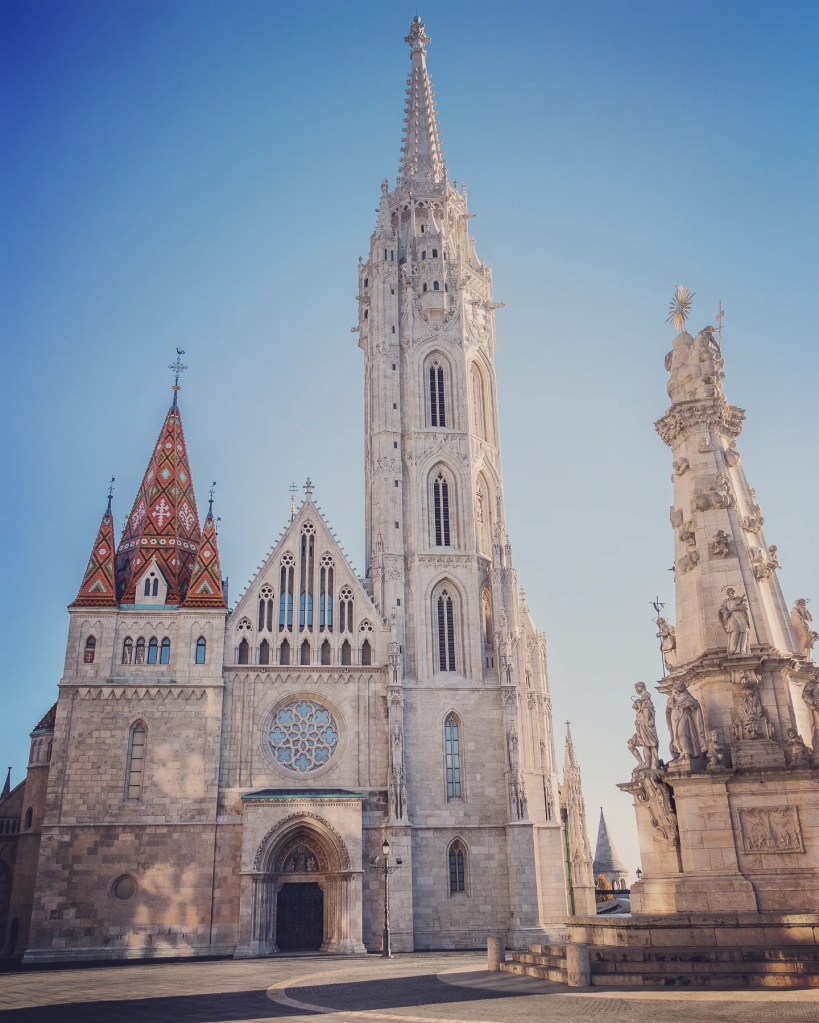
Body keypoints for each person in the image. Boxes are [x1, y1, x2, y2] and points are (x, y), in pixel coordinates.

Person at [666, 681, 705, 759]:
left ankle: (687, 752)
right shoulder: (672, 697)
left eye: (680, 685)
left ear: (684, 687)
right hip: (674, 717)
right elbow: (668, 708)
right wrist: (670, 704)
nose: (679, 687)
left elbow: (695, 705)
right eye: (677, 686)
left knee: (682, 732)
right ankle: (682, 752)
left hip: (684, 715)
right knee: (677, 734)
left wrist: (689, 704)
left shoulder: (687, 696)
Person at [628, 682, 660, 769]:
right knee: (631, 745)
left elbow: (648, 711)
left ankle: (648, 764)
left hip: (646, 727)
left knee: (648, 746)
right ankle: (642, 763)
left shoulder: (645, 700)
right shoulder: (640, 710)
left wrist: (646, 721)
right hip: (641, 729)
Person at [718, 588, 751, 655]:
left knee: (744, 631)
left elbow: (745, 607)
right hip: (731, 618)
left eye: (732, 593)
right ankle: (732, 649)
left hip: (741, 617)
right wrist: (726, 612)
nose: (732, 594)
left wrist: (739, 608)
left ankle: (742, 650)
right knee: (734, 632)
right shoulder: (726, 601)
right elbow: (722, 609)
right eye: (730, 593)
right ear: (728, 594)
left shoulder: (739, 599)